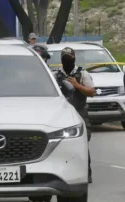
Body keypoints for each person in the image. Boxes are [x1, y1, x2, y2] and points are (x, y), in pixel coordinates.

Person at [53, 47, 95, 183]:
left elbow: (91, 92)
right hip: (61, 115)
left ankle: (86, 173)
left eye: (69, 58)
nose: (67, 60)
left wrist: (77, 85)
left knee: (83, 142)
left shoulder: (82, 73)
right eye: (65, 58)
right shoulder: (56, 75)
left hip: (79, 112)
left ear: (74, 58)